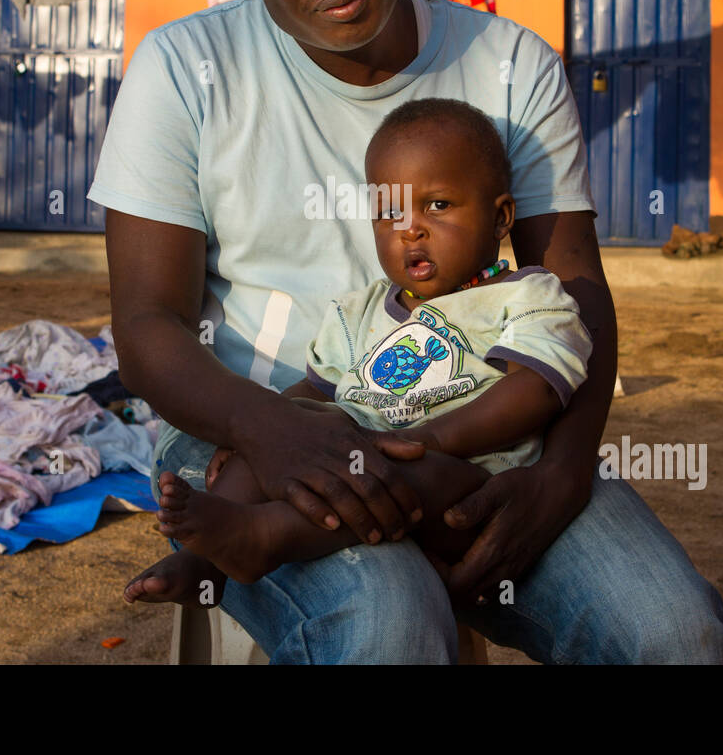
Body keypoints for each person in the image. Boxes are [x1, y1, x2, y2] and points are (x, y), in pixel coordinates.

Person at [88, 0, 723, 664]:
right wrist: (275, 431)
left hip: (476, 424)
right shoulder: (183, 72)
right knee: (389, 629)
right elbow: (146, 328)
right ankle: (227, 553)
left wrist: (561, 473)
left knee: (678, 636)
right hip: (253, 417)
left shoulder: (510, 65)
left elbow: (575, 287)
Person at [148, 98, 594, 587]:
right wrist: (260, 431)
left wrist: (430, 439)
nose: (410, 229)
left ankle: (265, 537)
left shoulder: (527, 296)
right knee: (293, 428)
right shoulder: (359, 311)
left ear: (501, 217)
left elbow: (535, 390)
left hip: (465, 484)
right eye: (389, 213)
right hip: (358, 457)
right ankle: (206, 559)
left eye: (438, 205)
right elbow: (317, 391)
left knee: (422, 472)